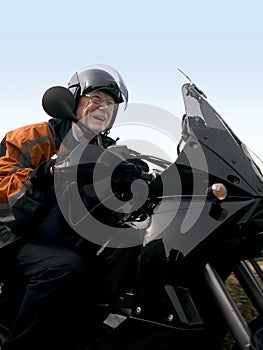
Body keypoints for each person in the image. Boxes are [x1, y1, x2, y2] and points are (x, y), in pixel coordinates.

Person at [0, 64, 149, 350]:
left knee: (129, 247)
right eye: (96, 99)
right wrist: (47, 173)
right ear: (72, 100)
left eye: (111, 104)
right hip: (12, 234)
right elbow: (2, 188)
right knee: (63, 267)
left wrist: (136, 181)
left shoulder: (106, 153)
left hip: (60, 238)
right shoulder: (32, 136)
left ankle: (82, 335)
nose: (104, 108)